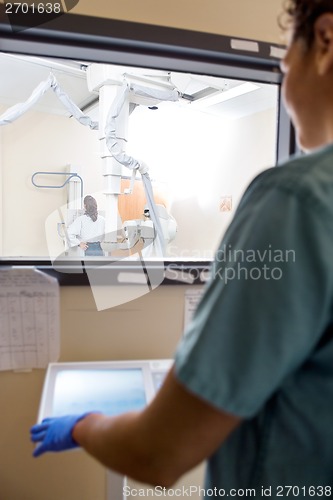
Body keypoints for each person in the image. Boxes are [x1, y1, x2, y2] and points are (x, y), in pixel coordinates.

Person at [30, 1, 333, 496]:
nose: (284, 83)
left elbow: (160, 452)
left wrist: (82, 424)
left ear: (324, 40)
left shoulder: (295, 200)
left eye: (283, 64)